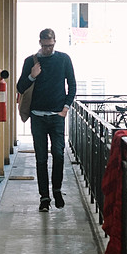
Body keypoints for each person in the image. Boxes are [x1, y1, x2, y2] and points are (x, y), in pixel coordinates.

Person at [17, 28, 77, 212]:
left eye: (50, 46)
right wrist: (31, 75)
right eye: (44, 46)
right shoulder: (30, 61)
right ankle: (44, 198)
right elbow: (20, 86)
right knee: (41, 159)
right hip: (38, 117)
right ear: (40, 43)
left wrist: (66, 108)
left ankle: (57, 190)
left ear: (55, 42)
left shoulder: (64, 59)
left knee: (58, 154)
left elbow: (72, 85)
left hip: (57, 117)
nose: (48, 49)